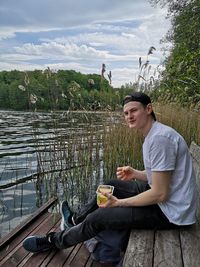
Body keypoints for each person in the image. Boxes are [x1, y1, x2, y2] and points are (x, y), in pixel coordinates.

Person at [23, 92, 198, 256]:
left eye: (134, 110)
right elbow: (161, 176)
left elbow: (160, 193)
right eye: (126, 113)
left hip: (171, 215)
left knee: (100, 217)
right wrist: (135, 173)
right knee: (109, 185)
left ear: (148, 109)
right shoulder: (155, 134)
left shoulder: (160, 139)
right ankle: (75, 221)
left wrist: (119, 203)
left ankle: (53, 241)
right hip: (169, 202)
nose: (129, 116)